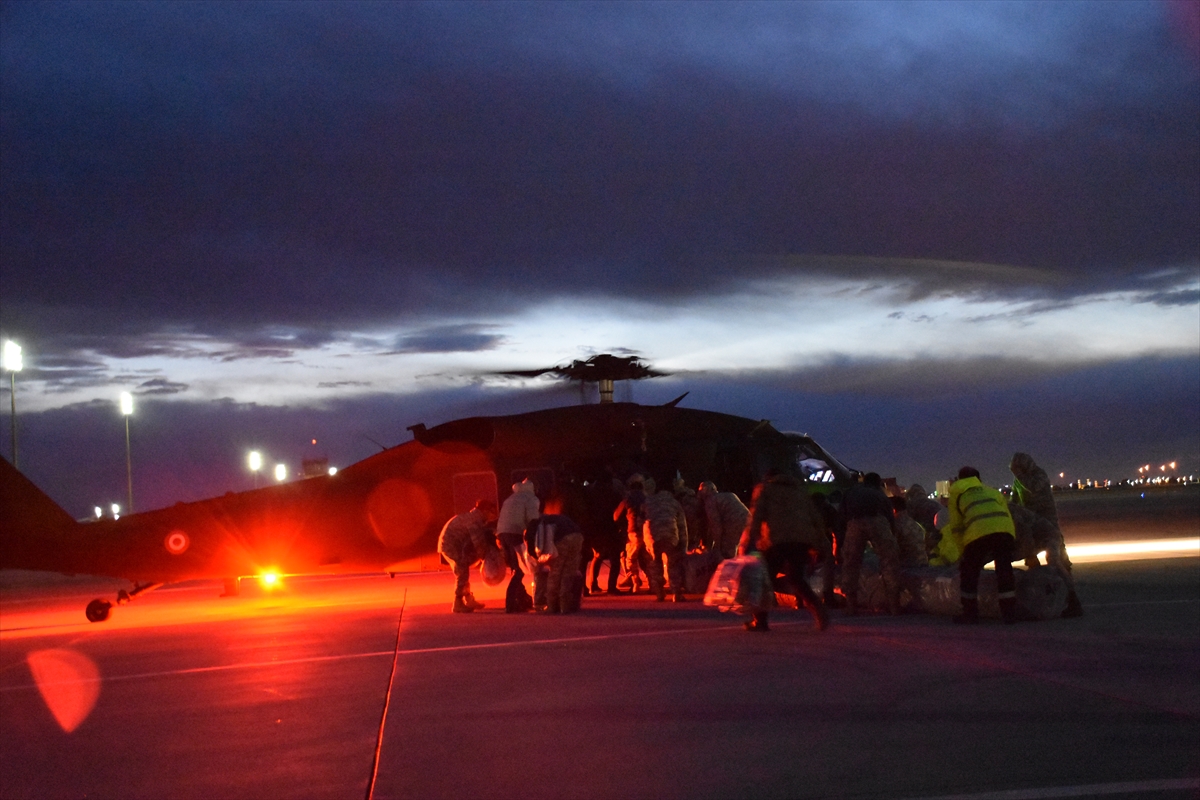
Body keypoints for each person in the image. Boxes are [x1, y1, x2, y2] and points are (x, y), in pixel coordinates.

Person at [738, 470, 832, 632]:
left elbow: (756, 517)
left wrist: (746, 542)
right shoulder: (800, 492)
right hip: (802, 540)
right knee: (796, 578)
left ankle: (760, 621)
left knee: (763, 580)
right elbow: (816, 518)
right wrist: (821, 545)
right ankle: (819, 610)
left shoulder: (764, 489)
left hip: (775, 539)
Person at [1009, 452, 1082, 617]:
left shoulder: (1038, 475)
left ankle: (1072, 600)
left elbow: (1034, 488)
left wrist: (1019, 476)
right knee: (1028, 556)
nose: (1015, 473)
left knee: (1057, 561)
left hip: (1048, 525)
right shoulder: (1018, 482)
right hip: (1031, 523)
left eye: (1018, 469)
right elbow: (1015, 501)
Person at [944, 467, 1017, 624]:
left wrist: (962, 551)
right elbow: (1007, 516)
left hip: (978, 533)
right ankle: (1010, 613)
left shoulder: (957, 494)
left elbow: (956, 527)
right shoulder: (991, 491)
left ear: (959, 479)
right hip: (1004, 531)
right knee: (1004, 570)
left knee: (969, 572)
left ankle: (970, 614)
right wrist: (1011, 539)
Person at [839, 472, 901, 616]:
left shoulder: (851, 492)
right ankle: (894, 607)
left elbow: (841, 515)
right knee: (889, 562)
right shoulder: (879, 494)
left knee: (851, 564)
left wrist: (842, 540)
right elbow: (890, 518)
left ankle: (851, 606)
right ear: (878, 483)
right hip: (878, 521)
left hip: (854, 523)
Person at [436, 500, 498, 613]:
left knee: (463, 571)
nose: (494, 514)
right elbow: (478, 542)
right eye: (491, 511)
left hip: (449, 544)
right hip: (451, 546)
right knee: (462, 572)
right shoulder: (474, 521)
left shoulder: (473, 518)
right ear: (484, 510)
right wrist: (486, 557)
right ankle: (458, 602)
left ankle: (468, 598)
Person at [528, 512, 585, 613]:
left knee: (555, 574)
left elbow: (535, 546)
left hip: (562, 540)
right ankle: (565, 606)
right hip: (577, 536)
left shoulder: (536, 525)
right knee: (568, 572)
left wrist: (539, 560)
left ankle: (552, 606)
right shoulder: (554, 518)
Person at [496, 478, 539, 609]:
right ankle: (510, 602)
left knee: (514, 567)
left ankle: (520, 597)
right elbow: (533, 521)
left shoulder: (510, 499)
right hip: (515, 534)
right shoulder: (530, 499)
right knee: (519, 569)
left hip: (502, 534)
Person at [643, 483, 689, 601]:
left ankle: (659, 592)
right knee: (673, 564)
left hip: (652, 535)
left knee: (655, 563)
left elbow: (640, 520)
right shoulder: (674, 503)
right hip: (670, 534)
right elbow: (682, 526)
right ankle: (676, 594)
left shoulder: (648, 502)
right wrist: (684, 545)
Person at [697, 481, 750, 559]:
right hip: (750, 523)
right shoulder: (729, 494)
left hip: (733, 525)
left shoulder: (711, 501)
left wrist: (716, 546)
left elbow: (716, 526)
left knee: (727, 553)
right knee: (746, 551)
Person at [614, 476, 649, 593]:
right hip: (647, 530)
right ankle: (652, 582)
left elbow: (616, 516)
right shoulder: (647, 498)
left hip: (633, 531)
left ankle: (635, 584)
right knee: (647, 557)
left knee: (631, 558)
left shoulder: (627, 499)